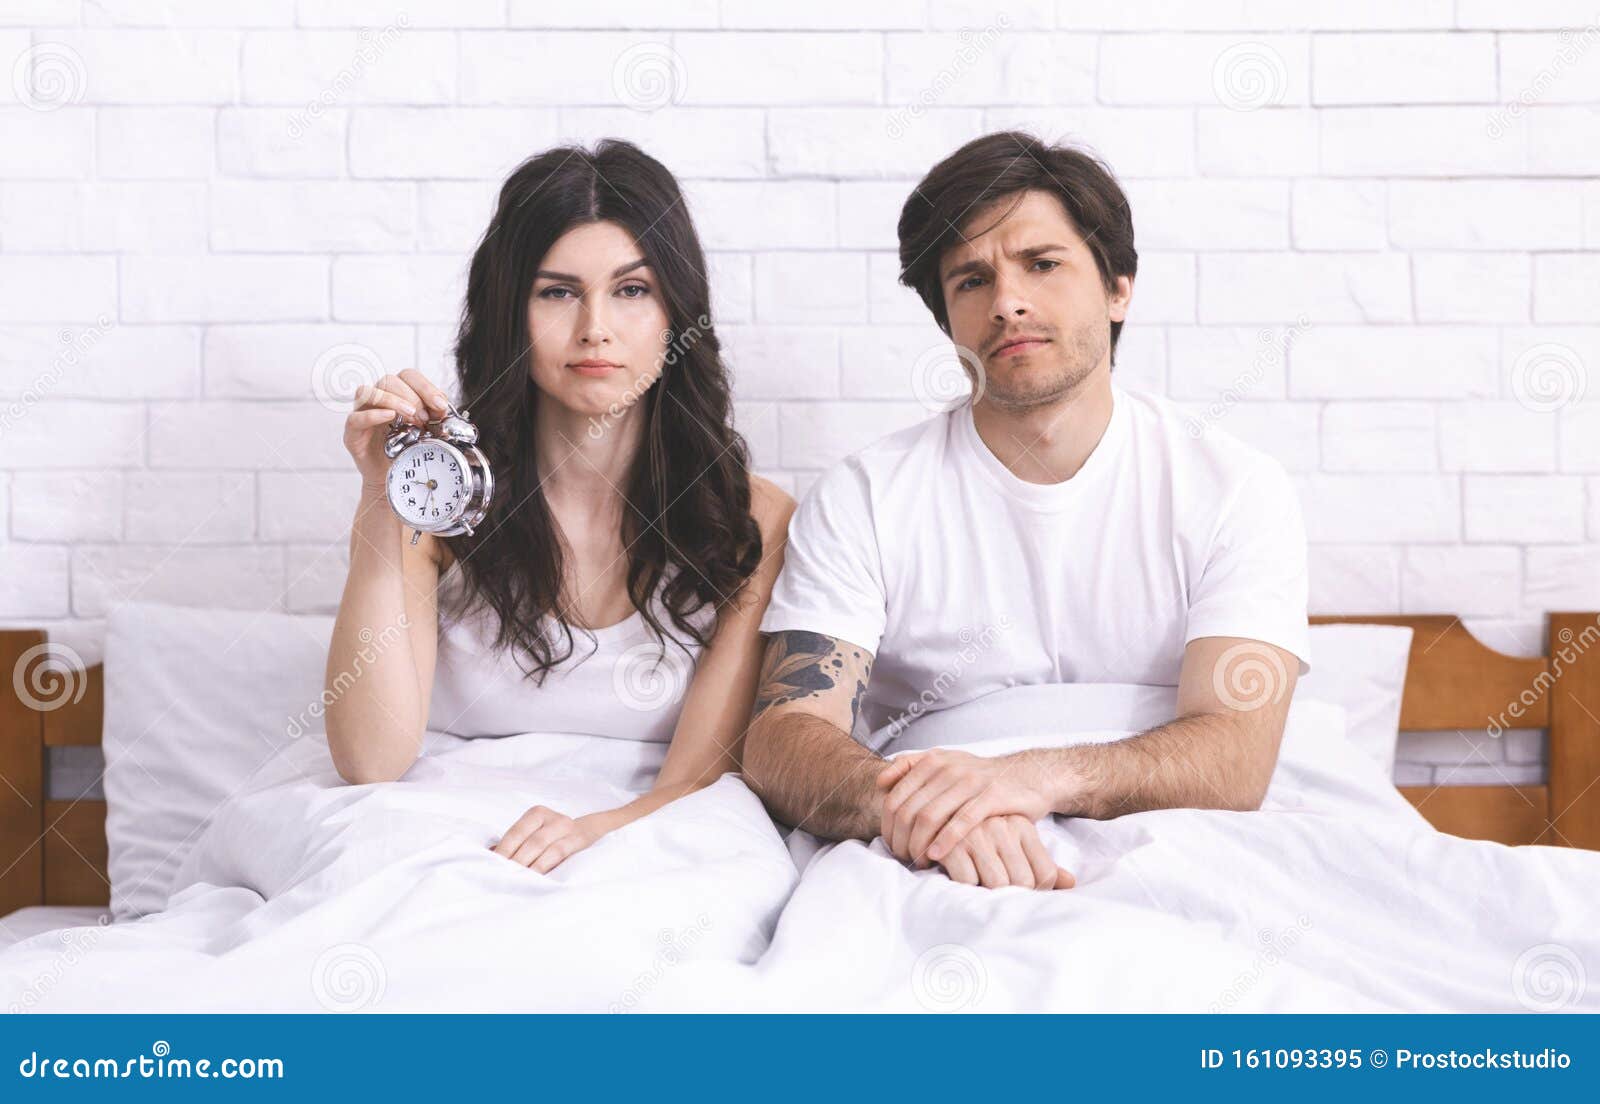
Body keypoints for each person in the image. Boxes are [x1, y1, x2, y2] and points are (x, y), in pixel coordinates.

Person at [743, 131, 1311, 892]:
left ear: (1118, 287)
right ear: (947, 318)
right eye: (971, 280)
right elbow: (785, 735)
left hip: (1184, 837)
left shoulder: (1235, 487)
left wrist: (1030, 780)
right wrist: (928, 809)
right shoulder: (866, 497)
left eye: (1042, 265)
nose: (1008, 301)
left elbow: (1236, 757)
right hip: (934, 847)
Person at [324, 139, 793, 874]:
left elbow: (698, 779)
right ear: (510, 312)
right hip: (431, 836)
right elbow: (370, 759)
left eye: (632, 291)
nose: (594, 328)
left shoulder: (754, 522)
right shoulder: (440, 501)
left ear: (677, 313)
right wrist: (382, 504)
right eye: (557, 292)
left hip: (640, 842)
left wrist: (591, 836)